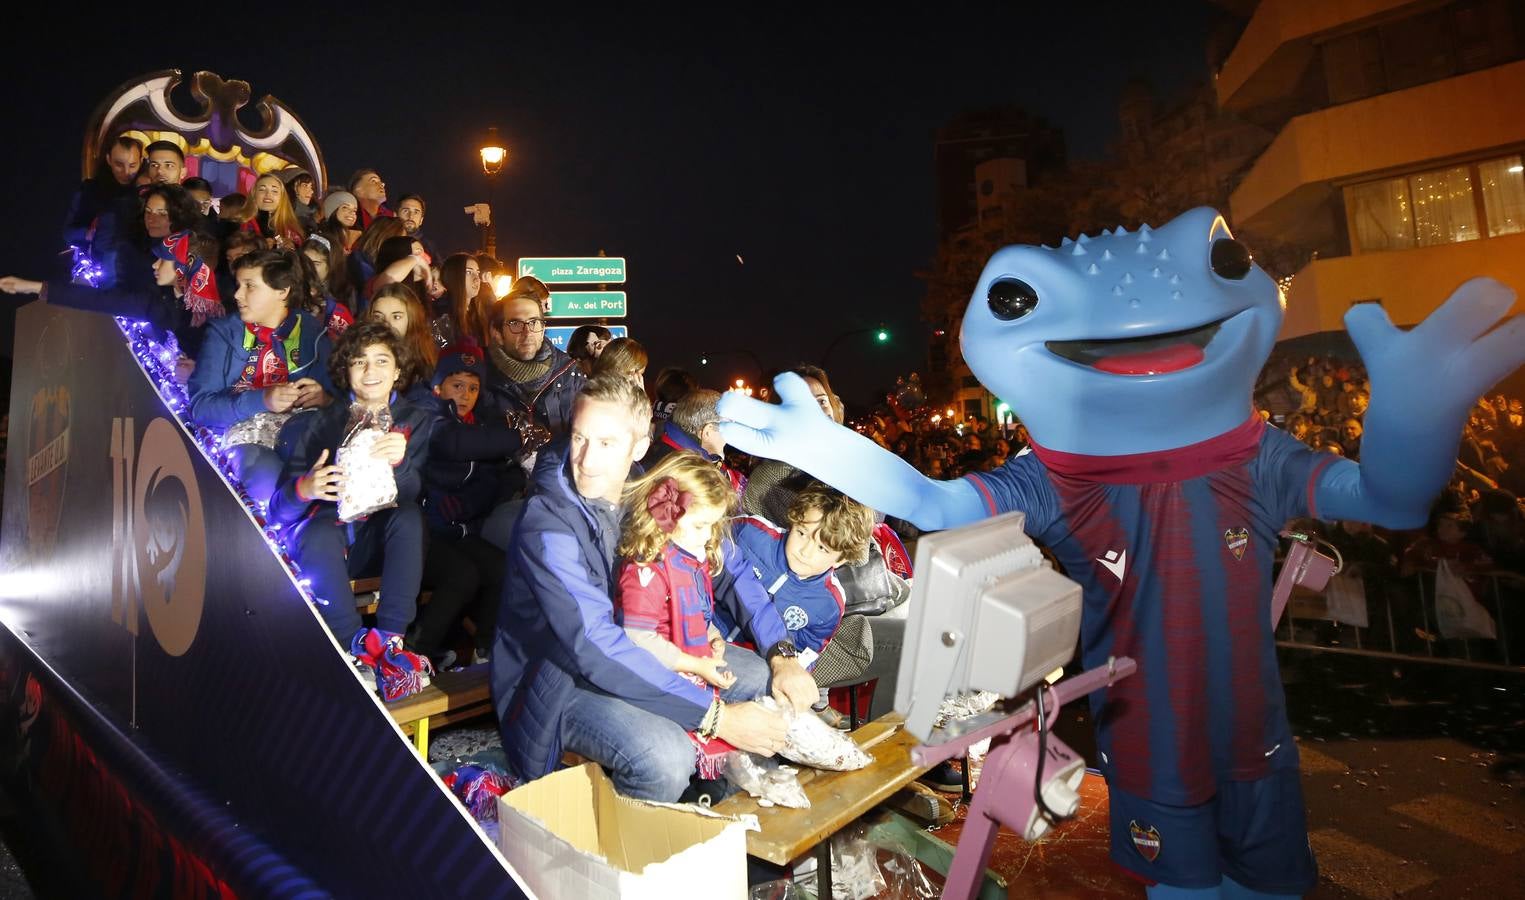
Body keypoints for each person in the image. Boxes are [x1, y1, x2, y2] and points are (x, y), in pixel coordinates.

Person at [490, 376, 816, 800]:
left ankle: (716, 800)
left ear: (639, 447)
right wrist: (718, 718)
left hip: (640, 645)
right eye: (579, 438)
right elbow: (594, 644)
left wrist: (782, 652)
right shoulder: (549, 524)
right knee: (663, 756)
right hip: (556, 676)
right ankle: (637, 854)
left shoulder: (650, 494)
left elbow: (727, 565)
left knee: (755, 673)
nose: (586, 460)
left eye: (607, 443)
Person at [268, 321, 434, 701]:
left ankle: (390, 644)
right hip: (336, 543)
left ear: (397, 371)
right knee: (315, 531)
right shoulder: (323, 423)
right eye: (360, 363)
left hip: (388, 542)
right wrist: (304, 489)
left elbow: (414, 492)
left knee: (408, 517)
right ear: (346, 372)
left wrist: (401, 463)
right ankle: (354, 649)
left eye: (381, 361)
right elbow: (278, 512)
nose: (371, 372)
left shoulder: (417, 421)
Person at [613, 453, 752, 779]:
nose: (707, 536)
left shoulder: (687, 556)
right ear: (666, 515)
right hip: (650, 676)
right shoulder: (645, 570)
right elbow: (639, 639)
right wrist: (697, 665)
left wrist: (712, 635)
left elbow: (700, 610)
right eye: (700, 525)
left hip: (686, 664)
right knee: (680, 758)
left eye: (712, 525)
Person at [188, 249, 333, 501]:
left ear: (282, 291)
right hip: (242, 435)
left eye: (250, 286)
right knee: (267, 482)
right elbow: (201, 408)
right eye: (238, 285)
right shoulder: (224, 333)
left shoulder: (312, 333)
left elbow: (340, 402)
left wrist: (324, 398)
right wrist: (262, 400)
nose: (237, 295)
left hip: (300, 434)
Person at [415, 343, 522, 668]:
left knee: (501, 568)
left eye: (473, 388)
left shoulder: (478, 425)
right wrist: (520, 437)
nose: (464, 394)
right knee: (463, 575)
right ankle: (413, 653)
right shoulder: (427, 415)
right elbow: (454, 446)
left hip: (458, 531)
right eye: (456, 385)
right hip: (424, 533)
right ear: (438, 387)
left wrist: (473, 502)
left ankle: (484, 650)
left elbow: (496, 480)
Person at [0, 229, 224, 360]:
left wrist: (196, 371)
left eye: (163, 260)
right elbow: (98, 300)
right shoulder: (155, 299)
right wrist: (32, 286)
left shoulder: (218, 312)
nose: (155, 265)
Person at [480, 287, 585, 458]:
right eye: (515, 324)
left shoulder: (570, 374)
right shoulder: (479, 375)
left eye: (534, 322)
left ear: (543, 328)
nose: (527, 332)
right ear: (497, 333)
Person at [367, 283, 439, 401]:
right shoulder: (359, 359)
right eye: (378, 317)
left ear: (412, 320)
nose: (386, 324)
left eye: (396, 317)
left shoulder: (422, 374)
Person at [236, 173, 306, 248]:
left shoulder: (292, 228)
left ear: (282, 198)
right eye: (262, 190)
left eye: (274, 191)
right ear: (254, 194)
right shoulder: (240, 223)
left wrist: (291, 247)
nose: (268, 194)